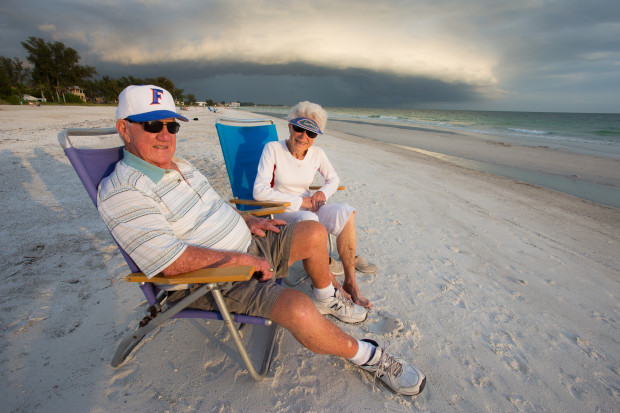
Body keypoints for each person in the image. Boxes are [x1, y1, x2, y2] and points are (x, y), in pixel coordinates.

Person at [97, 85, 425, 396]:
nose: (165, 135)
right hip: (214, 279)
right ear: (124, 129)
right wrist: (243, 261)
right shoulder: (125, 191)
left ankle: (327, 296)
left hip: (247, 244)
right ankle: (370, 356)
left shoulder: (179, 165)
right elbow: (169, 263)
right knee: (298, 307)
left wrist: (243, 218)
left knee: (314, 232)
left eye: (172, 126)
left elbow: (211, 207)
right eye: (152, 125)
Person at [253, 101, 376, 309]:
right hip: (282, 211)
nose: (304, 136)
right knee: (310, 220)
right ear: (291, 126)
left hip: (309, 208)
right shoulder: (273, 149)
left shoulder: (317, 154)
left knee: (346, 212)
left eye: (311, 133)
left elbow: (333, 179)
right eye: (300, 128)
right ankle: (331, 285)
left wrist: (322, 193)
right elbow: (259, 191)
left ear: (316, 136)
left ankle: (350, 282)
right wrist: (301, 201)